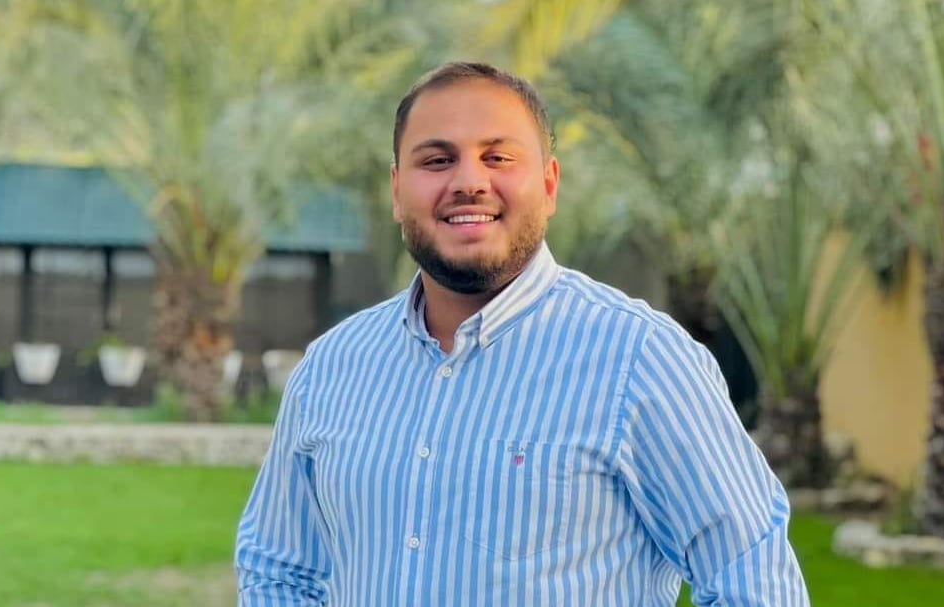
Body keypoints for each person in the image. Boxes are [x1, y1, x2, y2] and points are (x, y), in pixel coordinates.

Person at [235, 61, 809, 606]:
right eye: (436, 160)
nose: (469, 182)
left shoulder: (639, 359)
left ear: (550, 184)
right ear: (395, 190)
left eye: (498, 157)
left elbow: (752, 575)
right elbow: (279, 568)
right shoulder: (333, 366)